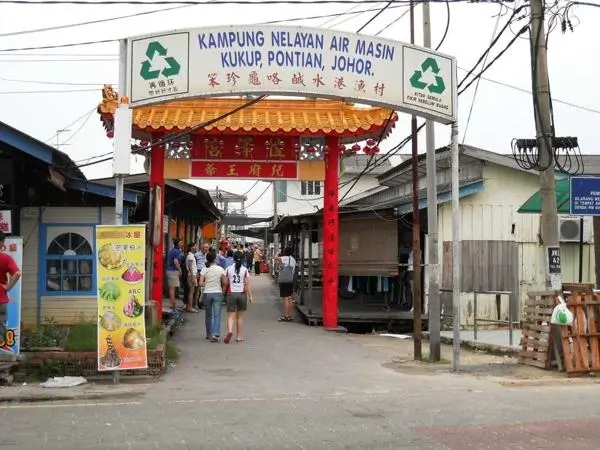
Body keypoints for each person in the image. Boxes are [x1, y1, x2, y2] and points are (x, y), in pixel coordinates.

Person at [223, 251, 253, 343]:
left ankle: (230, 331)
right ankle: (239, 336)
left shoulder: (228, 269)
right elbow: (247, 284)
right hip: (242, 294)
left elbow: (225, 283)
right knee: (239, 317)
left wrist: (223, 293)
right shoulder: (245, 270)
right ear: (243, 259)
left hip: (231, 293)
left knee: (230, 316)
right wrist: (250, 295)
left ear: (233, 258)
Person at [199, 251, 226, 342]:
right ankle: (215, 334)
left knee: (208, 315)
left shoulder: (204, 269)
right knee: (217, 315)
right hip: (217, 292)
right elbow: (224, 282)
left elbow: (200, 283)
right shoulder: (221, 269)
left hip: (207, 293)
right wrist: (223, 292)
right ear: (215, 259)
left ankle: (209, 334)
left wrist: (207, 282)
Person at [0, 231, 21, 331]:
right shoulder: (6, 259)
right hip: (1, 300)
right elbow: (17, 273)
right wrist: (8, 286)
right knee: (1, 332)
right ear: (2, 243)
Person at [275, 247, 296, 322]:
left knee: (286, 298)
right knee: (290, 297)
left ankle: (286, 316)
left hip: (284, 281)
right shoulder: (293, 259)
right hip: (290, 280)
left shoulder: (285, 258)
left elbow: (276, 258)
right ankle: (290, 315)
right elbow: (283, 267)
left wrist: (278, 252)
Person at [166, 239, 183, 309]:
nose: (181, 244)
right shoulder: (176, 252)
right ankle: (173, 304)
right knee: (172, 288)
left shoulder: (172, 251)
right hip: (173, 271)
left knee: (172, 288)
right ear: (177, 244)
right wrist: (180, 269)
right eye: (180, 243)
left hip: (170, 271)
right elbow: (175, 261)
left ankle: (172, 303)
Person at [183, 243, 199, 313]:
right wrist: (193, 276)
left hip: (192, 275)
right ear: (191, 248)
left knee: (191, 291)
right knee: (191, 292)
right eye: (194, 246)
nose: (196, 247)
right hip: (191, 275)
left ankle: (188, 306)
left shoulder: (192, 256)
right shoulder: (190, 256)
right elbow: (190, 267)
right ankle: (190, 307)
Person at [194, 243, 209, 309]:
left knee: (204, 289)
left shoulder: (207, 255)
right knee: (197, 289)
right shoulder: (197, 255)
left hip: (205, 273)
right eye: (205, 247)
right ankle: (195, 304)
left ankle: (201, 303)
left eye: (207, 247)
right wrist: (196, 273)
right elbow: (194, 265)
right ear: (201, 248)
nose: (206, 249)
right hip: (199, 272)